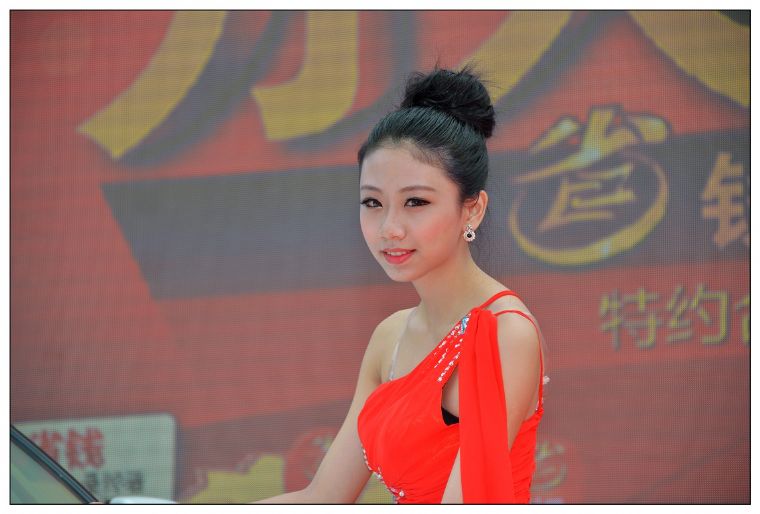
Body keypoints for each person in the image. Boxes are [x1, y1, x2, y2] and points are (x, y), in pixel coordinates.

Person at [258, 66, 545, 504]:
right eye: (373, 202)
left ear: (472, 209)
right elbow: (323, 498)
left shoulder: (505, 333)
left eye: (415, 202)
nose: (389, 228)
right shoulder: (389, 337)